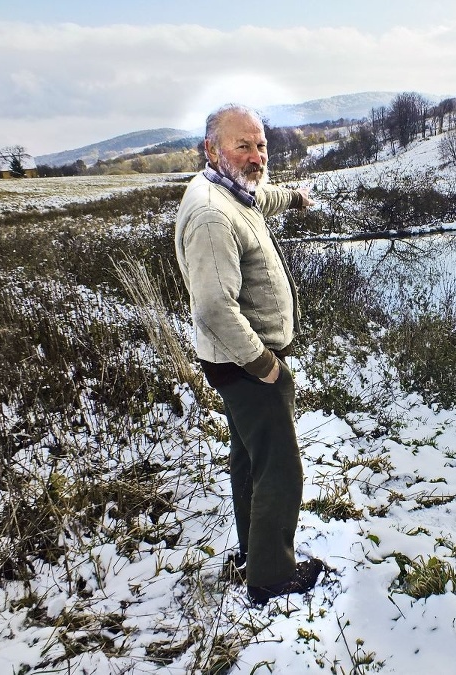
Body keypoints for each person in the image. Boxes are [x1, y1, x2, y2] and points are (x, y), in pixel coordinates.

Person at [175, 103, 323, 605]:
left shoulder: (231, 188)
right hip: (246, 364)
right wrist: (266, 367)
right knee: (281, 468)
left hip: (236, 362)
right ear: (212, 149)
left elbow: (263, 194)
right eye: (244, 145)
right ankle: (271, 577)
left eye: (261, 144)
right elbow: (215, 307)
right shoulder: (213, 215)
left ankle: (249, 555)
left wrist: (297, 198)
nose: (256, 154)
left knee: (249, 459)